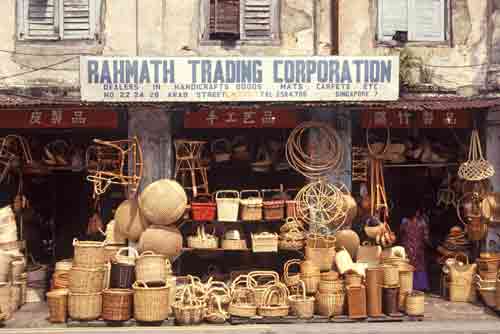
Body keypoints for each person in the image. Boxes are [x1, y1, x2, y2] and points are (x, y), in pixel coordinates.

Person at [400, 207, 430, 291]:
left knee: (408, 266)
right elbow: (426, 237)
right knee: (419, 267)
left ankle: (408, 286)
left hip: (408, 248)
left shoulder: (404, 221)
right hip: (419, 248)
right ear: (417, 212)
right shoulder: (422, 223)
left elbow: (401, 232)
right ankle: (420, 286)